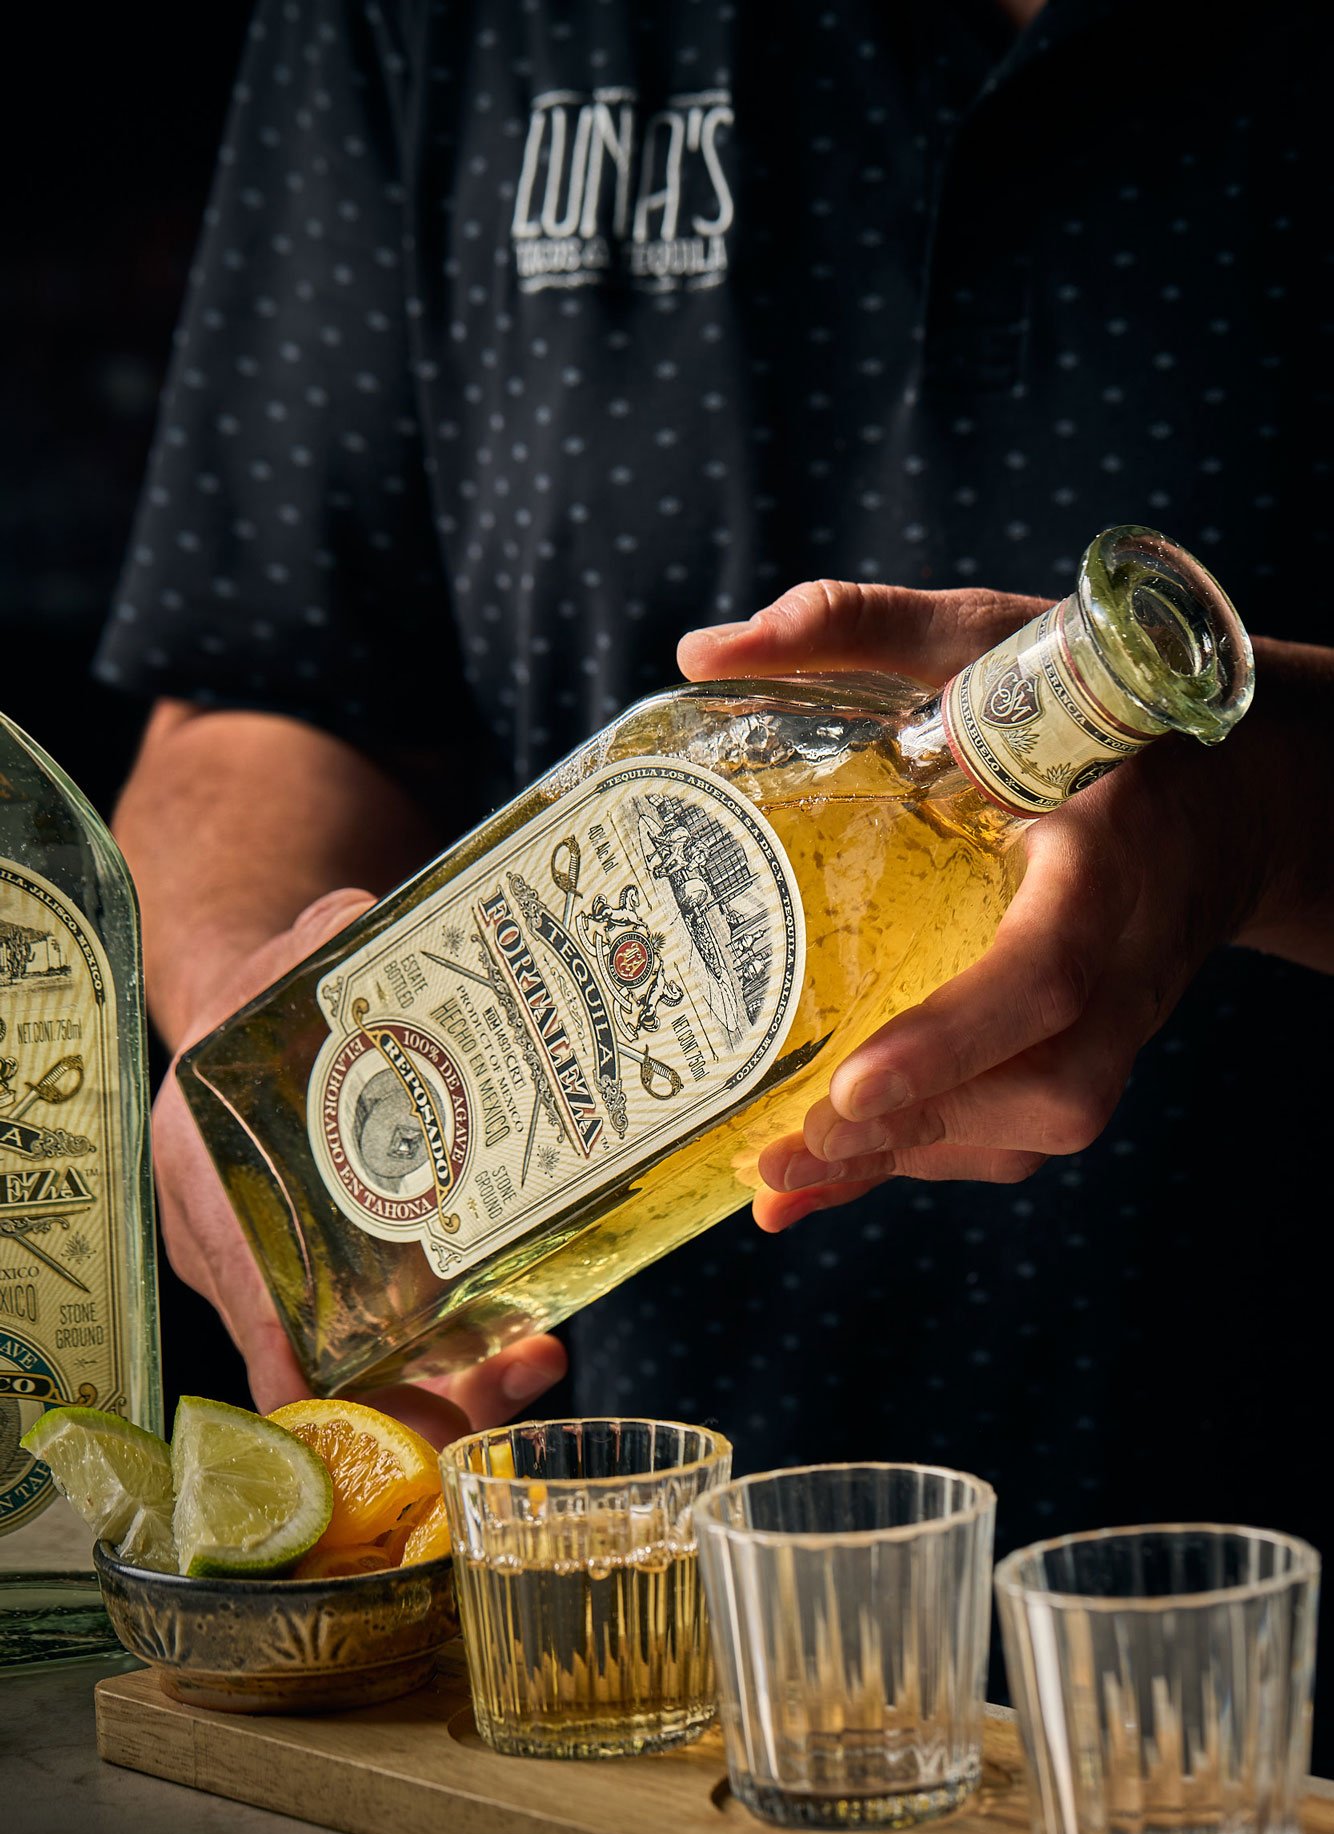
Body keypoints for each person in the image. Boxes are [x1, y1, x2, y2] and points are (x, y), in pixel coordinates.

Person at [96, 0, 1334, 1741]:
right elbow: (275, 678)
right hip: (601, 1613)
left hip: (1269, 1600)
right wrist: (253, 993)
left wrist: (1265, 815)